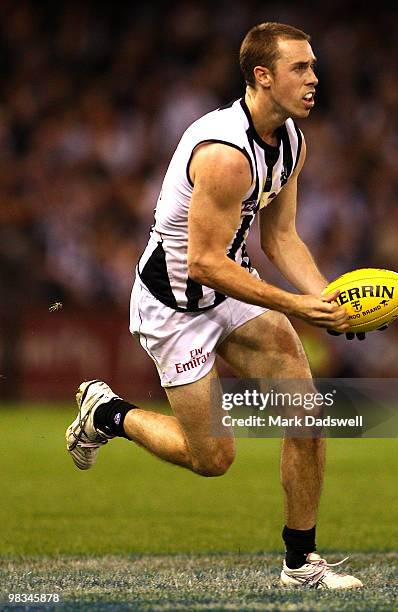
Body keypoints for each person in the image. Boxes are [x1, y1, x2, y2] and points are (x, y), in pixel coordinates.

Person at [66, 22, 363, 590]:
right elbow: (202, 263)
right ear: (262, 76)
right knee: (213, 459)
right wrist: (299, 306)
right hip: (173, 306)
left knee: (306, 414)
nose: (314, 78)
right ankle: (108, 414)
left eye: (313, 66)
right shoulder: (226, 153)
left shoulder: (292, 140)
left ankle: (301, 564)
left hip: (228, 290)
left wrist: (328, 299)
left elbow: (281, 241)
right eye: (300, 68)